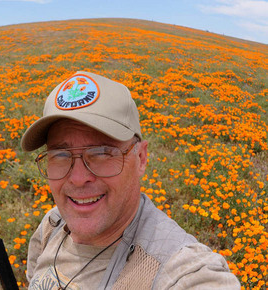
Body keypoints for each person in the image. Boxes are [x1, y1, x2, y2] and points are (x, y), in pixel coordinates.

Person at [20, 71, 240, 289]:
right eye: (60, 154)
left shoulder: (180, 271)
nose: (78, 179)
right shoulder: (53, 225)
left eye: (102, 152)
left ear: (141, 159)